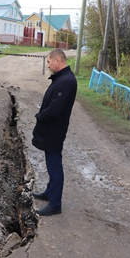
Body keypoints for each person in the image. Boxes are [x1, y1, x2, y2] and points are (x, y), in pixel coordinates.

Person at [31, 49, 77, 216]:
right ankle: (50, 192)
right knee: (51, 164)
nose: (48, 65)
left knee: (54, 165)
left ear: (58, 60)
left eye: (49, 62)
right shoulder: (62, 78)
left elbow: (55, 109)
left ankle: (55, 202)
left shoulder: (66, 81)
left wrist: (40, 116)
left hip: (54, 130)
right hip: (52, 129)